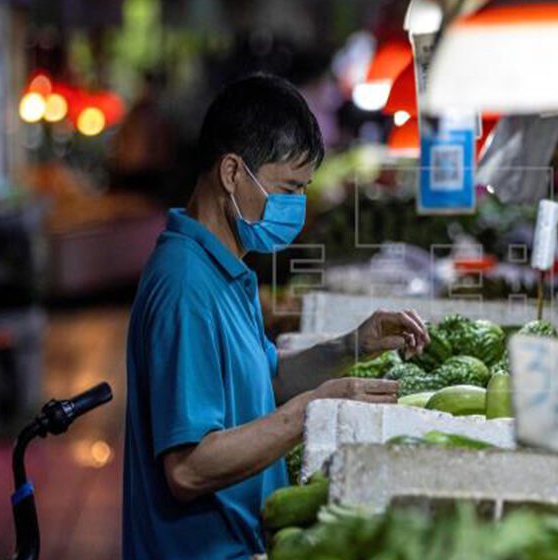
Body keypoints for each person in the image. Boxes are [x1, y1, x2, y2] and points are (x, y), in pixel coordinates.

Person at [122, 74, 429, 559]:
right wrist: (311, 410)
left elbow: (268, 381)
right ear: (231, 173)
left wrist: (353, 345)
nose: (297, 208)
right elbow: (188, 468)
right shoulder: (185, 287)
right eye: (288, 188)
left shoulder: (228, 268)